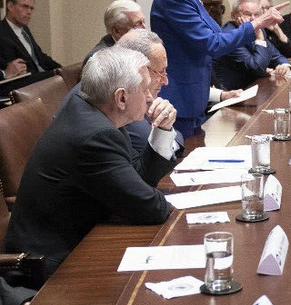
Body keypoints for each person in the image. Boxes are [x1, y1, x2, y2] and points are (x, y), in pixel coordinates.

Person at [5, 48, 176, 273]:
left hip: (82, 241)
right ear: (121, 97)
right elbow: (150, 207)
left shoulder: (97, 114)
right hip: (52, 266)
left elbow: (139, 179)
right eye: (145, 89)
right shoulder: (95, 136)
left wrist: (162, 130)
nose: (151, 97)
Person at [150, 0, 284, 136]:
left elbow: (216, 39)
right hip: (179, 100)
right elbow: (212, 44)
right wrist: (258, 23)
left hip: (194, 99)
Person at [214, 0, 291, 90]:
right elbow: (257, 68)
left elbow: (277, 56)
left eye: (257, 15)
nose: (253, 19)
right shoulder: (229, 35)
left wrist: (284, 66)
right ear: (233, 16)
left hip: (254, 88)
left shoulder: (259, 30)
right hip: (234, 94)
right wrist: (259, 38)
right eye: (248, 14)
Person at [0, 0, 61, 75]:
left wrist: (62, 70)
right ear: (10, 6)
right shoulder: (2, 32)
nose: (29, 12)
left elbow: (40, 57)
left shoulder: (25, 29)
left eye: (31, 8)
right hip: (27, 83)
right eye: (25, 7)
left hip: (42, 77)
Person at [83, 0, 147, 65]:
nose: (144, 27)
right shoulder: (99, 60)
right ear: (117, 31)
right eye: (137, 24)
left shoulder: (140, 47)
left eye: (143, 21)